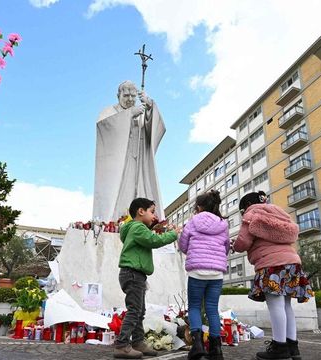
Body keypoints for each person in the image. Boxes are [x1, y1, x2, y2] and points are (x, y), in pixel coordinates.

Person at [233, 191, 313, 360]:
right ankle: (293, 347)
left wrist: (234, 244)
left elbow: (243, 242)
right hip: (292, 262)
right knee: (286, 306)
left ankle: (279, 347)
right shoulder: (279, 214)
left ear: (246, 206)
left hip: (271, 264)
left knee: (275, 305)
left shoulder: (252, 213)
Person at [114, 198, 181, 359]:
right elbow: (154, 240)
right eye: (152, 211)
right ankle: (122, 345)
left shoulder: (134, 228)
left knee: (139, 311)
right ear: (140, 211)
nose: (154, 215)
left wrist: (156, 227)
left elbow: (150, 236)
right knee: (135, 310)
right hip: (133, 274)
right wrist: (174, 234)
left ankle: (137, 342)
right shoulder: (137, 227)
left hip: (135, 274)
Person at [93, 80, 166, 222]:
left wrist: (150, 106)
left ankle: (141, 220)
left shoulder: (140, 113)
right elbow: (104, 127)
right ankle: (117, 220)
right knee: (121, 192)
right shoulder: (110, 112)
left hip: (139, 161)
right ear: (118, 96)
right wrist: (129, 115)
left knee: (139, 190)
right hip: (120, 163)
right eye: (126, 96)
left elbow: (156, 129)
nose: (130, 99)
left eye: (133, 96)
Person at [178, 190, 229, 360]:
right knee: (212, 309)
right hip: (216, 274)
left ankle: (198, 345)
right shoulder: (223, 224)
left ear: (199, 207)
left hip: (197, 272)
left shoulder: (192, 222)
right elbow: (226, 247)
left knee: (194, 307)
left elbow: (183, 245)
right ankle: (216, 350)